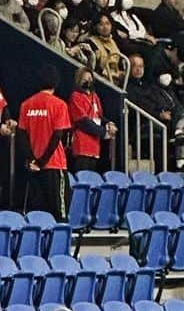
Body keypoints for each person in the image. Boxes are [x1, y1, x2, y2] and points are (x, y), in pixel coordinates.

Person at [17, 64, 70, 218]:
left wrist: (32, 159)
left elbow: (21, 135)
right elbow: (57, 136)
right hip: (54, 163)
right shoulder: (59, 105)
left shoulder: (26, 104)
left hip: (33, 167)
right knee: (60, 214)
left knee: (38, 214)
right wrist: (42, 161)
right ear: (56, 82)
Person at [66, 68, 117, 173]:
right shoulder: (76, 96)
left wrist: (109, 124)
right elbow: (82, 121)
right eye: (84, 79)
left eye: (90, 78)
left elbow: (99, 116)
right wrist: (103, 132)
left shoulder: (95, 96)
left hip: (94, 146)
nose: (88, 81)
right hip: (81, 146)